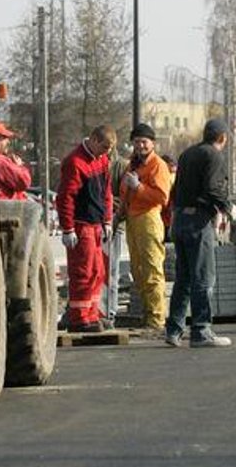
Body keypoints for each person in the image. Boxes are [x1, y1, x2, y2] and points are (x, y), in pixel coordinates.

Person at [165, 118, 233, 348]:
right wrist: (226, 207)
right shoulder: (213, 156)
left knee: (183, 279)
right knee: (203, 277)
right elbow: (214, 188)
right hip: (198, 222)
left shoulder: (186, 154)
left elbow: (177, 189)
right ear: (222, 138)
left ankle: (174, 330)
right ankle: (201, 330)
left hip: (181, 219)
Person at [57, 125, 117, 332]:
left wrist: (107, 220)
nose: (106, 152)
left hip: (95, 225)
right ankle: (79, 317)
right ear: (93, 139)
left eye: (109, 149)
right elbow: (66, 197)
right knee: (83, 271)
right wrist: (68, 229)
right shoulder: (75, 162)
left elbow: (106, 192)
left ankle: (91, 313)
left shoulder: (101, 160)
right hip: (81, 225)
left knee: (97, 271)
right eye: (104, 147)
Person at [120, 123, 172, 331]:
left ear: (153, 144)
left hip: (149, 218)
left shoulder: (158, 165)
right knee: (138, 270)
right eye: (136, 142)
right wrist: (119, 215)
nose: (140, 145)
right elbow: (125, 194)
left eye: (144, 142)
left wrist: (139, 187)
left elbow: (162, 197)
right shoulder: (132, 165)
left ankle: (157, 319)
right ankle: (147, 313)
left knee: (152, 269)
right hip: (133, 219)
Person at [101, 143, 133, 330]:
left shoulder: (120, 166)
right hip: (96, 224)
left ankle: (110, 312)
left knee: (110, 272)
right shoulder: (94, 163)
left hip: (113, 224)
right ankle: (98, 311)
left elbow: (125, 198)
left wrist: (112, 213)